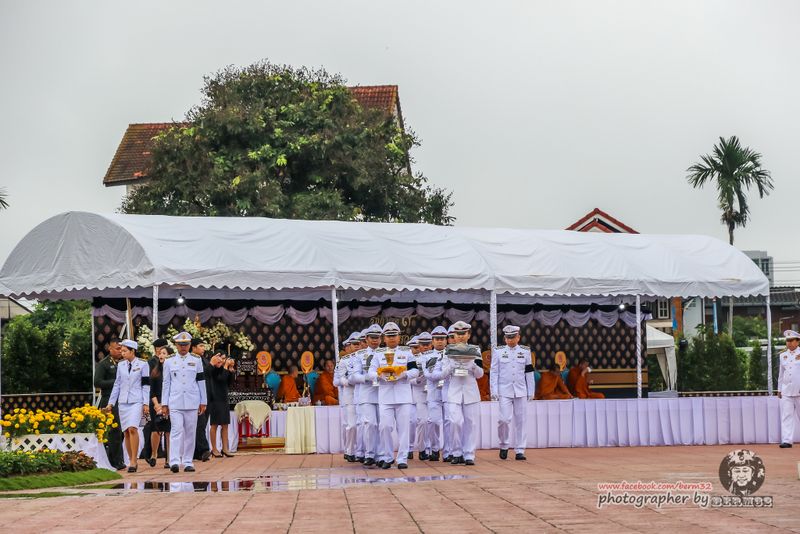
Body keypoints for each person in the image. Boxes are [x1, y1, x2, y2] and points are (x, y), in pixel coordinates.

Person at [368, 322, 419, 469]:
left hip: (403, 395)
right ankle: (388, 456)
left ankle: (402, 458)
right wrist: (379, 376)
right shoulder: (378, 354)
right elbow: (371, 372)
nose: (391, 338)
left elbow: (415, 371)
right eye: (389, 336)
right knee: (385, 427)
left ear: (399, 337)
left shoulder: (407, 352)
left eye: (394, 335)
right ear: (384, 338)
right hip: (385, 395)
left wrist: (404, 374)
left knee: (404, 428)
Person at [433, 321, 483, 465]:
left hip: (470, 391)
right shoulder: (448, 351)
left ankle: (469, 455)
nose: (460, 336)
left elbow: (480, 374)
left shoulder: (475, 350)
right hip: (454, 391)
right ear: (454, 335)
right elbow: (442, 375)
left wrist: (472, 365)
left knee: (471, 423)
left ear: (468, 335)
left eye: (463, 333)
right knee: (455, 422)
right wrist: (451, 367)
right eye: (458, 334)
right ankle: (456, 452)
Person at [161, 331, 207, 473]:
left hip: (192, 401)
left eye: (186, 344)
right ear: (176, 345)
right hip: (175, 401)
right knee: (176, 430)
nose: (183, 347)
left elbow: (201, 381)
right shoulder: (169, 361)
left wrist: (203, 401)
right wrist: (164, 403)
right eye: (181, 344)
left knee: (190, 432)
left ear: (190, 345)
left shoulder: (196, 360)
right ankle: (174, 461)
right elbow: (166, 383)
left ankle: (187, 462)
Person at [490, 325, 535, 460]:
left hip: (521, 390)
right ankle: (504, 445)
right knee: (503, 419)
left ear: (518, 337)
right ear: (505, 338)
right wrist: (494, 390)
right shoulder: (498, 351)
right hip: (504, 390)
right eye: (508, 337)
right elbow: (494, 372)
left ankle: (520, 450)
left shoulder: (525, 351)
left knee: (521, 421)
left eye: (513, 337)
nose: (510, 340)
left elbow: (529, 372)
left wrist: (531, 390)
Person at [106, 339, 150, 472]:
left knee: (132, 429)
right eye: (121, 350)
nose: (122, 353)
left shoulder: (143, 364)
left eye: (125, 351)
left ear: (132, 351)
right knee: (126, 432)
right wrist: (111, 403)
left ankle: (134, 460)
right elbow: (117, 384)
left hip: (137, 400)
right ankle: (131, 459)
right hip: (123, 401)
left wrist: (146, 403)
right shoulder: (121, 365)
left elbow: (146, 385)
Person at [349, 323, 383, 466]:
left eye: (377, 337)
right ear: (366, 339)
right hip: (366, 394)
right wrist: (366, 377)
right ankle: (369, 454)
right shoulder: (359, 355)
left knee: (382, 425)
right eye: (372, 337)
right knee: (370, 424)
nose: (375, 340)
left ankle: (381, 455)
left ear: (381, 339)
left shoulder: (386, 353)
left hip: (383, 393)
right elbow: (353, 376)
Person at [94, 337, 126, 470]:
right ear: (110, 349)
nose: (120, 351)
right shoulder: (104, 364)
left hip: (122, 399)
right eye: (117, 349)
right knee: (114, 431)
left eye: (122, 349)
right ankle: (114, 461)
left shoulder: (124, 363)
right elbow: (97, 382)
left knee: (121, 431)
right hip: (108, 400)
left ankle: (120, 459)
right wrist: (117, 382)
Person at [423, 326, 448, 462]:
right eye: (437, 339)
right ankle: (434, 448)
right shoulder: (427, 356)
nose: (440, 341)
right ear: (432, 341)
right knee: (433, 421)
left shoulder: (451, 354)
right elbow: (428, 374)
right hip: (434, 393)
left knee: (449, 423)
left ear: (446, 340)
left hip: (449, 393)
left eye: (442, 339)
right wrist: (444, 374)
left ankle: (448, 452)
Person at [147, 342, 172, 469]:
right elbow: (152, 391)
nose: (161, 355)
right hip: (156, 403)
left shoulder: (172, 370)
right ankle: (154, 454)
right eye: (160, 353)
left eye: (164, 353)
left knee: (168, 431)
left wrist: (166, 404)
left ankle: (169, 458)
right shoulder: (155, 371)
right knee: (156, 429)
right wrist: (157, 405)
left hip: (169, 403)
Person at [334, 334, 358, 462]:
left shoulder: (363, 358)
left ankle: (360, 451)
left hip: (363, 395)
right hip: (349, 396)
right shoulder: (343, 362)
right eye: (352, 345)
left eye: (358, 344)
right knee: (350, 425)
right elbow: (335, 381)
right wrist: (348, 381)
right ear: (347, 348)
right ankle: (349, 450)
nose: (356, 347)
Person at [209, 352, 236, 457]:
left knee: (225, 425)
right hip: (215, 399)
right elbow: (220, 379)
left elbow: (229, 383)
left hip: (224, 399)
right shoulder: (213, 369)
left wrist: (231, 370)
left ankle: (225, 449)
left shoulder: (224, 369)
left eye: (225, 359)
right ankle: (214, 449)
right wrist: (225, 367)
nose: (223, 361)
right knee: (214, 425)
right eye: (221, 358)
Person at [410, 333, 432, 461]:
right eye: (422, 345)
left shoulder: (437, 357)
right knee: (421, 421)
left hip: (434, 392)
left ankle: (431, 448)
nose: (425, 347)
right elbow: (408, 378)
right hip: (419, 393)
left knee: (432, 422)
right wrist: (418, 380)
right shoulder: (414, 360)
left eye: (428, 344)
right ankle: (422, 448)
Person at [191, 338, 213, 463]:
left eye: (204, 346)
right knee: (199, 424)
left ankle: (196, 452)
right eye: (200, 346)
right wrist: (211, 365)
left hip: (207, 397)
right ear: (193, 347)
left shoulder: (204, 360)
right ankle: (204, 450)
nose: (203, 348)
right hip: (196, 397)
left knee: (202, 425)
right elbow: (201, 376)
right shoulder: (191, 360)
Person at [778, 329, 800, 448]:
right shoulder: (783, 355)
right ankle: (787, 440)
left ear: (798, 341)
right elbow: (781, 374)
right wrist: (779, 389)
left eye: (791, 340)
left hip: (799, 390)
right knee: (787, 416)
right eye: (787, 341)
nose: (789, 343)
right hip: (786, 391)